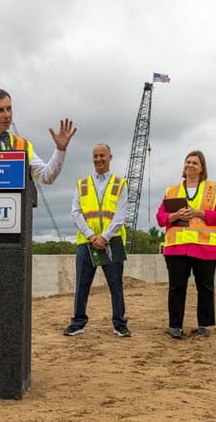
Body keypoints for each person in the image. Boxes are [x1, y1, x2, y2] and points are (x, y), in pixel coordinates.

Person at [156, 150, 216, 339]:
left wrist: (198, 213)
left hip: (205, 248)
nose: (190, 165)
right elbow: (160, 218)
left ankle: (204, 325)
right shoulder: (172, 191)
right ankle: (175, 326)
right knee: (176, 287)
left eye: (195, 163)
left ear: (202, 167)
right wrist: (176, 216)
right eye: (187, 162)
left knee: (205, 287)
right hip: (177, 247)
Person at [64, 143, 130, 337]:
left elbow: (120, 215)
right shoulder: (81, 184)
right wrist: (92, 236)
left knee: (116, 286)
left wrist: (105, 237)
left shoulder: (120, 184)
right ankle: (78, 322)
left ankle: (120, 324)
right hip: (87, 242)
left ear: (110, 157)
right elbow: (75, 213)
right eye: (95, 156)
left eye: (102, 155)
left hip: (112, 242)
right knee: (82, 285)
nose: (98, 159)